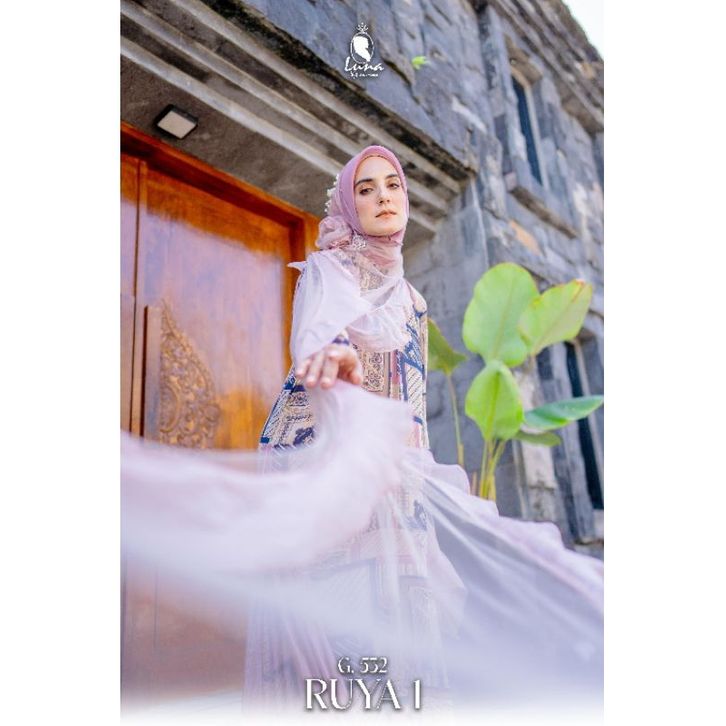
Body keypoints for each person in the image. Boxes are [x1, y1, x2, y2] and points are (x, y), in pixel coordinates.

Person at [121, 145, 604, 718]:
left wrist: (414, 475)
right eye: (366, 189)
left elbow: (414, 401)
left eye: (392, 185)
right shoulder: (330, 269)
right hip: (331, 461)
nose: (382, 197)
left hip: (397, 477)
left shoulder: (414, 300)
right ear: (350, 206)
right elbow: (317, 335)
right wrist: (336, 357)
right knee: (341, 632)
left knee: (408, 625)